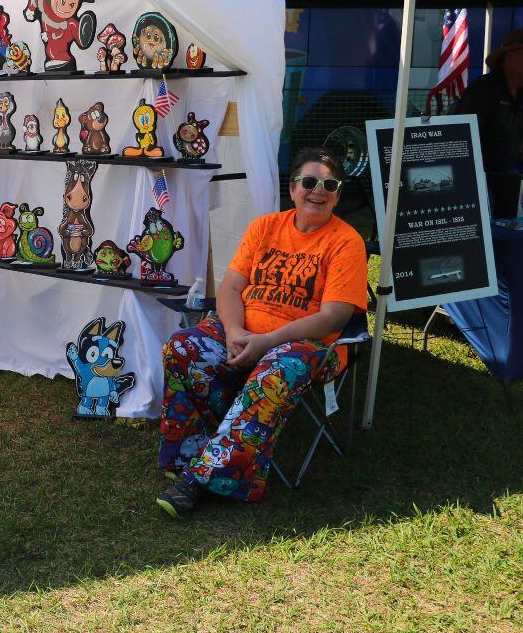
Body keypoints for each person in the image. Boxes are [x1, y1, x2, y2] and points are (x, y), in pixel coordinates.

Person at [155, 148, 367, 517]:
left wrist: (268, 341)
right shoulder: (265, 227)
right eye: (310, 182)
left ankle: (199, 476)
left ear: (338, 194)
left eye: (329, 185)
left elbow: (335, 316)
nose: (319, 191)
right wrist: (235, 332)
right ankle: (202, 449)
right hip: (243, 331)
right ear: (293, 187)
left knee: (276, 372)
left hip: (306, 344)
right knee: (182, 347)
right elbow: (231, 289)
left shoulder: (347, 242)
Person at [453, 28, 523, 172]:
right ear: (510, 58)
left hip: (507, 178)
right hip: (480, 179)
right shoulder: (484, 90)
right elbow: (461, 139)